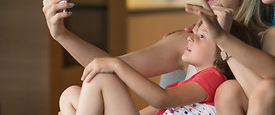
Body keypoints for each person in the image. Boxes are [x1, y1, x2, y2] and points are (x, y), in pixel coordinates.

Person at [43, 0, 275, 114]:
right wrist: (61, 34)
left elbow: (274, 101)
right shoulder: (186, 40)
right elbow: (106, 68)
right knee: (72, 95)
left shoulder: (269, 41)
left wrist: (223, 39)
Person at [60, 17, 233, 115]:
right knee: (70, 95)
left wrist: (117, 65)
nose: (190, 37)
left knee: (102, 77)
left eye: (201, 37)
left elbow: (161, 98)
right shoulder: (192, 83)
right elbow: (158, 108)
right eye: (194, 33)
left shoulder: (213, 77)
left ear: (223, 49)